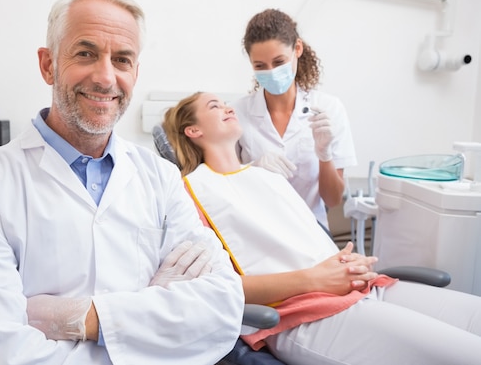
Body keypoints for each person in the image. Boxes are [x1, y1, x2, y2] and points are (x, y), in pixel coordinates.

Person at [0, 0, 245, 365]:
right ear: (48, 64)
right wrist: (152, 322)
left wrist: (84, 318)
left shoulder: (162, 179)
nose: (105, 77)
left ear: (135, 72)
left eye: (122, 60)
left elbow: (222, 307)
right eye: (85, 53)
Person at [162, 91, 481, 365]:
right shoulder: (191, 192)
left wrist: (351, 263)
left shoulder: (267, 176)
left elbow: (310, 243)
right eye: (214, 106)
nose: (228, 108)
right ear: (193, 131)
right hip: (307, 312)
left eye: (225, 103)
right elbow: (218, 289)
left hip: (365, 286)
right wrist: (315, 278)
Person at [231, 9, 357, 229]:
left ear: (297, 49)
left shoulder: (329, 108)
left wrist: (324, 155)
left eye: (279, 62)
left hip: (311, 230)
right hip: (258, 229)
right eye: (260, 66)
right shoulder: (237, 113)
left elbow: (333, 200)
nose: (271, 72)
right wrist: (250, 169)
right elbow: (226, 187)